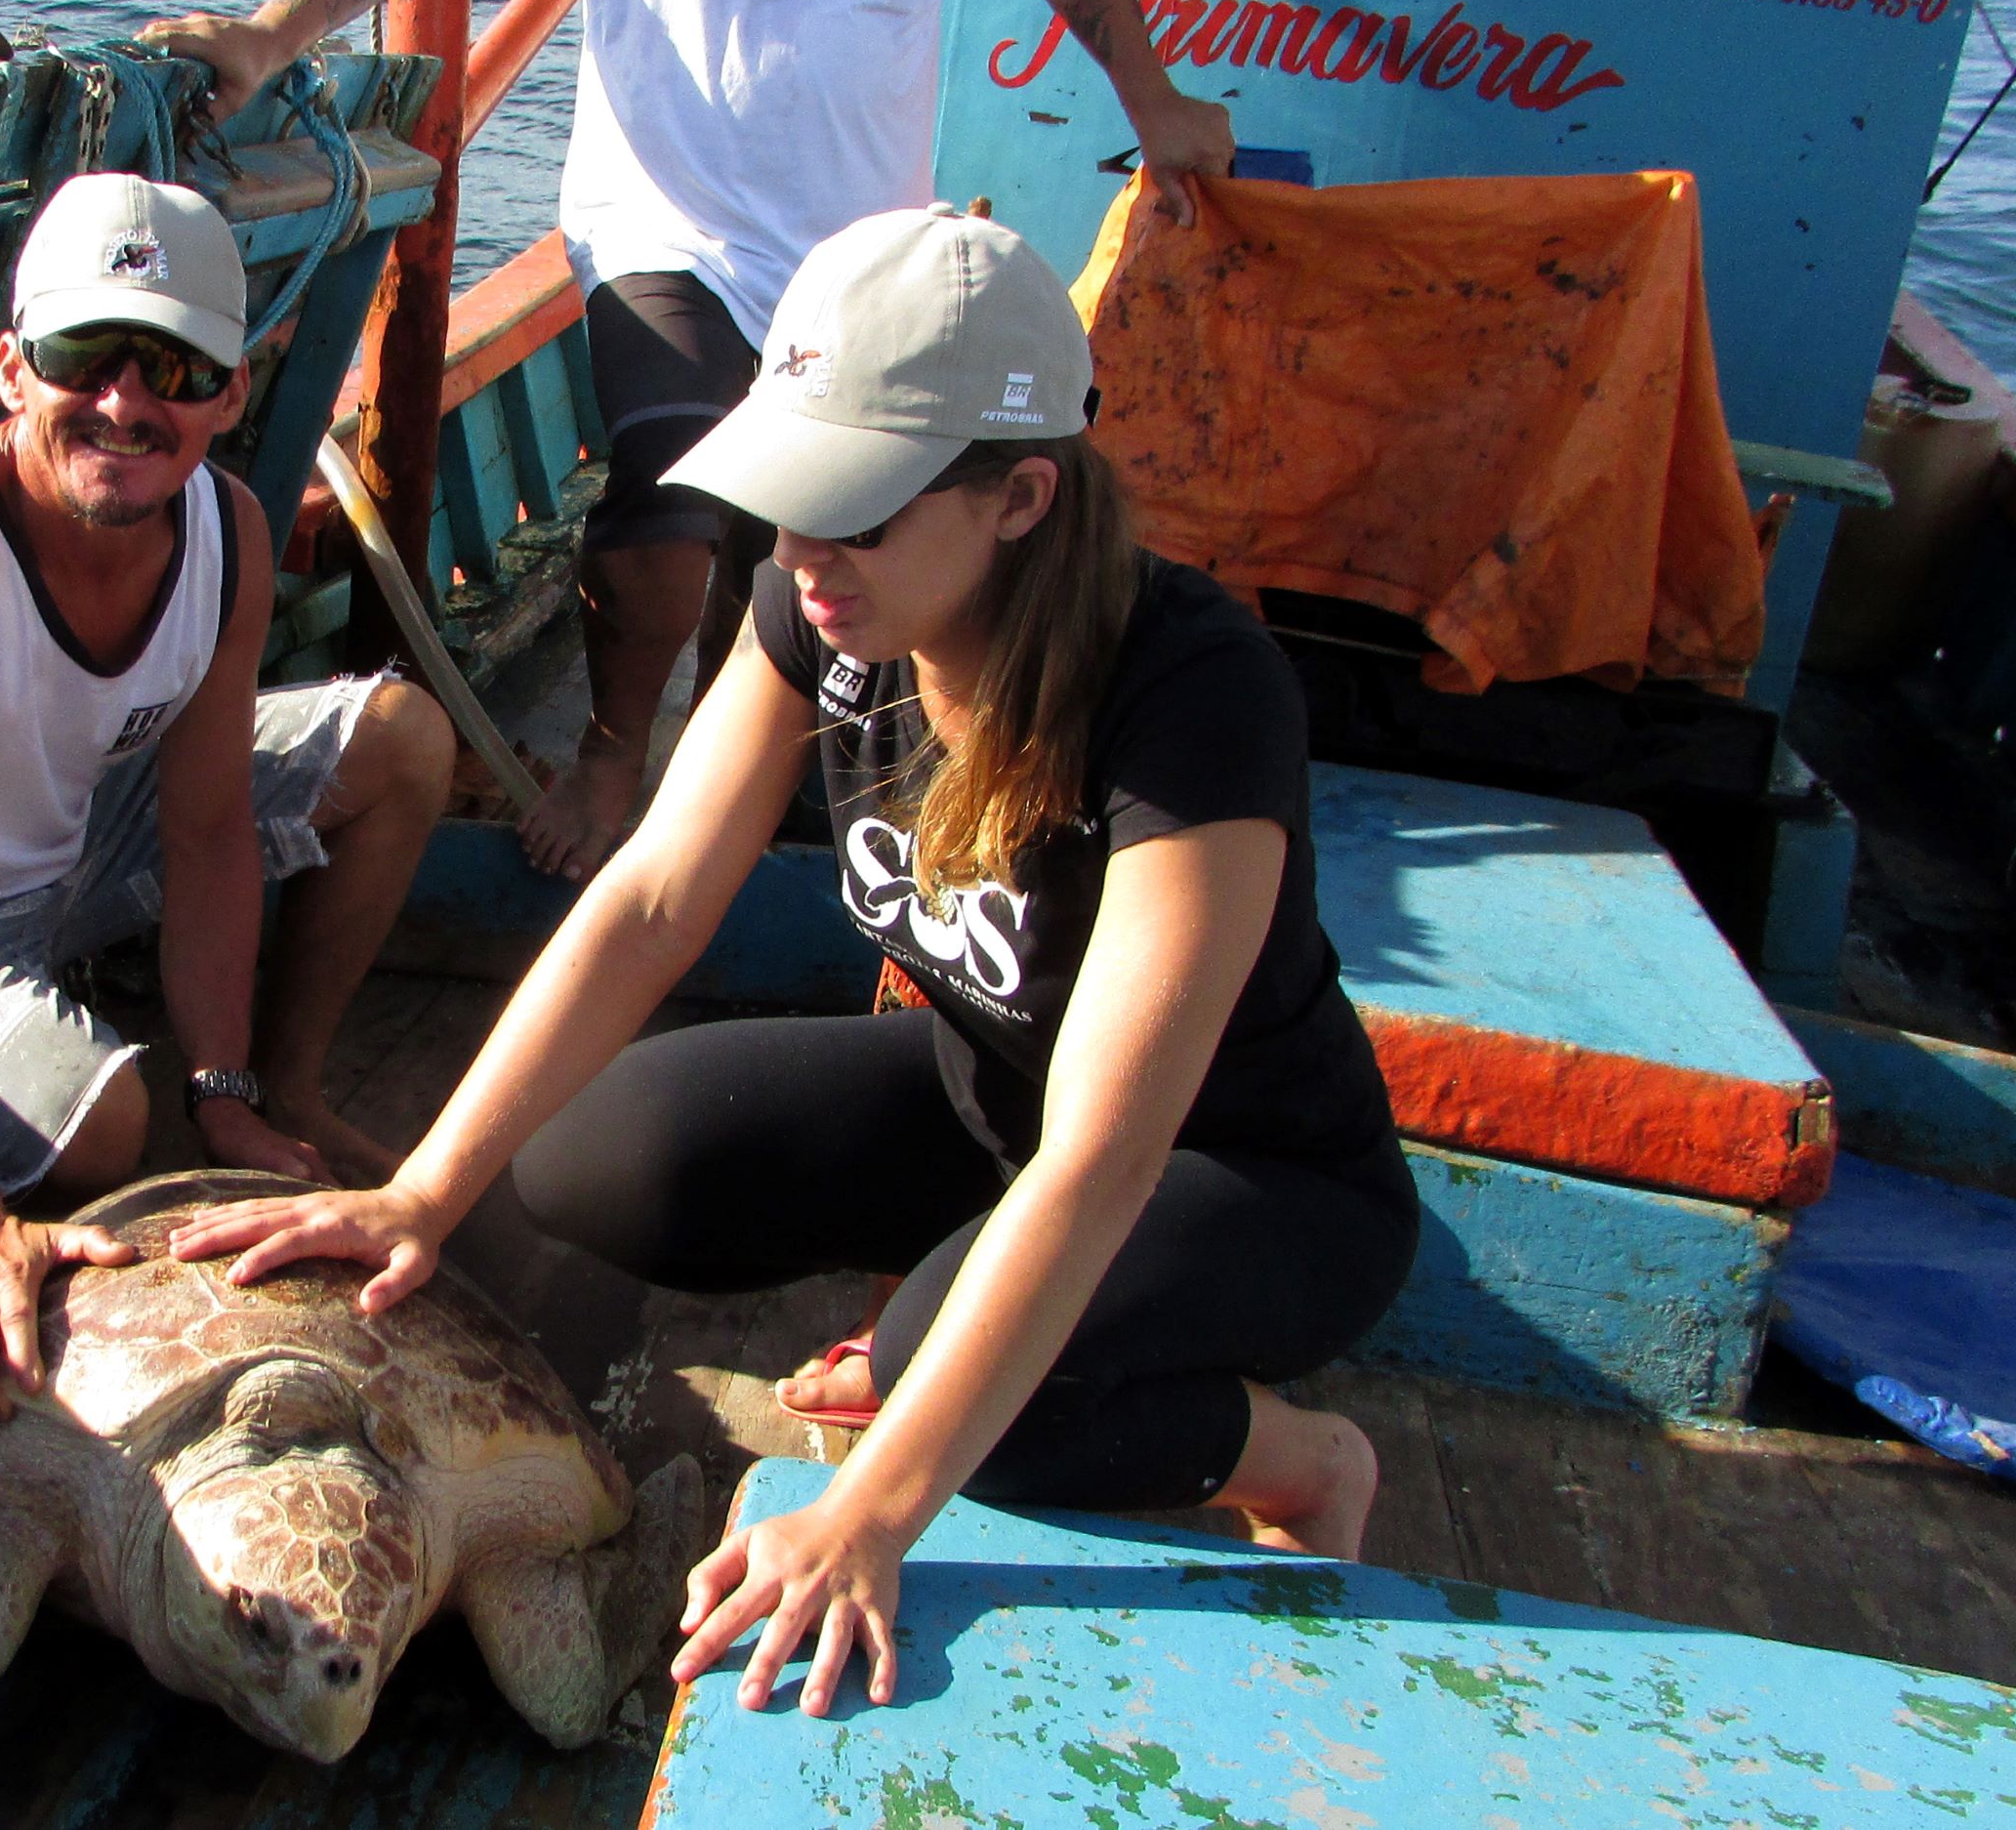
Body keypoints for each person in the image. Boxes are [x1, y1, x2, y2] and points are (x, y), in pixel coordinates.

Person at [167, 206, 1419, 1717]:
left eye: (853, 510)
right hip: (988, 1103)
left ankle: (1301, 1461)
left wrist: (869, 1515)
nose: (802, 553)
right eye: (785, 497)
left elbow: (1103, 1158)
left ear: (1020, 499)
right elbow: (652, 900)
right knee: (598, 1160)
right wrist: (422, 1194)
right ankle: (961, 1295)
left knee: (972, 1406)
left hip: (1246, 1175)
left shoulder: (1191, 691)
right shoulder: (826, 606)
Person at [146, 0, 1232, 883]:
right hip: (662, 222)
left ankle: (758, 776)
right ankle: (612, 752)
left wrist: (1154, 101)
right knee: (673, 487)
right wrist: (270, 35)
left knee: (814, 543)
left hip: (851, 256)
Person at [0, 171, 455, 1422]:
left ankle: (283, 1096)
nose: (123, 402)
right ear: (11, 369)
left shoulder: (225, 531)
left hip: (58, 859)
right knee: (108, 1125)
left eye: (171, 368)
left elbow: (206, 828)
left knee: (401, 741)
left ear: (230, 394)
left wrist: (218, 1083)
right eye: (81, 356)